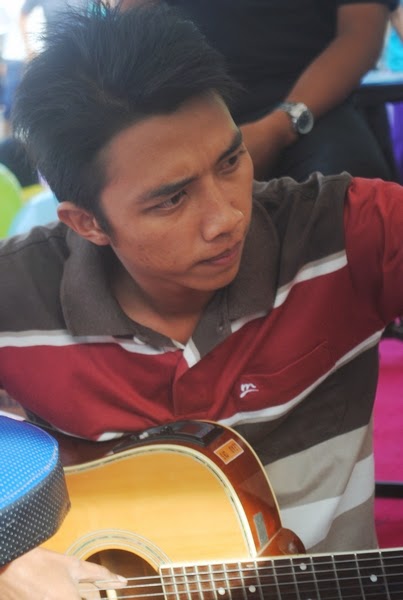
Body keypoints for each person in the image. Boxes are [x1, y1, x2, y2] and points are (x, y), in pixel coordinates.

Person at [1, 0, 403, 596]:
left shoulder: (348, 233)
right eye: (172, 199)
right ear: (87, 223)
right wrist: (10, 565)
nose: (227, 218)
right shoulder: (15, 295)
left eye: (231, 160)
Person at [121, 0, 398, 182]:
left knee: (348, 192)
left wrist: (279, 126)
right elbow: (132, 27)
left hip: (315, 104)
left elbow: (360, 34)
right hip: (192, 103)